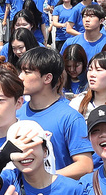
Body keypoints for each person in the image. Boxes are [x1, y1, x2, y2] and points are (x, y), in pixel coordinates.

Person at [16, 47, 94, 179]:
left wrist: (45, 178)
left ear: (47, 78)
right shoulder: (17, 113)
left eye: (27, 72)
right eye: (21, 71)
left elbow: (85, 165)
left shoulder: (70, 117)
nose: (20, 77)